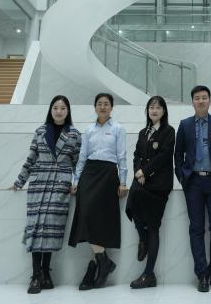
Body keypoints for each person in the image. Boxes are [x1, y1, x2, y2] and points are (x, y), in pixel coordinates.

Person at [10, 95, 82, 294]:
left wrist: (76, 182)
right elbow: (31, 158)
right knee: (36, 226)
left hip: (60, 184)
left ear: (68, 111)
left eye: (63, 108)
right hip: (39, 183)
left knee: (51, 228)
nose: (59, 111)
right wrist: (19, 181)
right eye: (56, 107)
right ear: (51, 110)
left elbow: (78, 163)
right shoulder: (40, 131)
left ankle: (45, 272)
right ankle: (35, 275)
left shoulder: (75, 134)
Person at [174, 85, 211, 293]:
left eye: (204, 98)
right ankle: (202, 274)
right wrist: (183, 178)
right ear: (192, 102)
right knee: (196, 228)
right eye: (197, 98)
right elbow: (178, 154)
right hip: (194, 183)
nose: (201, 101)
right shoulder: (185, 125)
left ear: (209, 101)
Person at [68, 93, 128, 290]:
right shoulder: (88, 130)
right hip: (89, 174)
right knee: (85, 215)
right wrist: (76, 180)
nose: (103, 107)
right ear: (95, 107)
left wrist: (123, 182)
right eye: (99, 104)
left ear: (111, 107)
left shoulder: (118, 129)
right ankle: (104, 261)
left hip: (109, 175)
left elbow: (122, 157)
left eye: (106, 104)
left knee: (100, 221)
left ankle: (98, 265)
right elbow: (82, 157)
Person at [125, 96, 175, 289]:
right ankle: (143, 239)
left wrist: (144, 172)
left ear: (163, 111)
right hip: (142, 181)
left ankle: (149, 274)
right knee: (132, 204)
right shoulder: (142, 132)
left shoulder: (168, 131)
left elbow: (164, 157)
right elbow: (136, 155)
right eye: (151, 107)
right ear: (147, 111)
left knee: (153, 227)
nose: (154, 110)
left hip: (159, 184)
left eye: (158, 107)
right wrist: (138, 171)